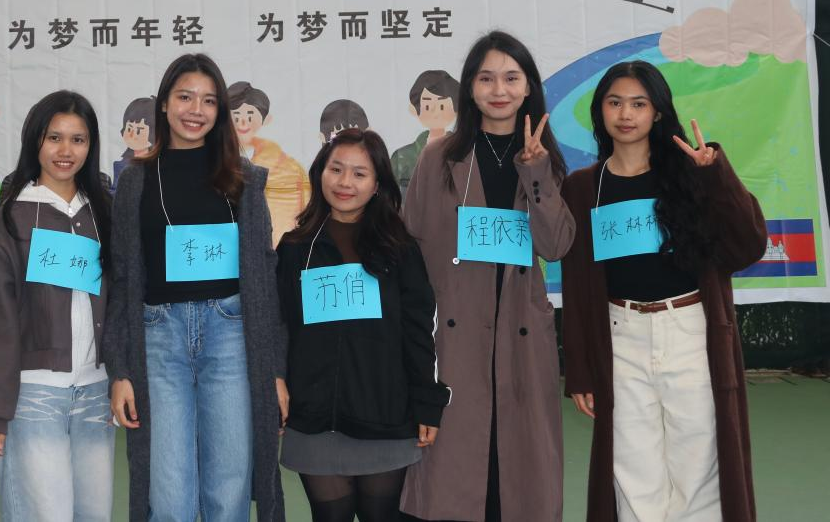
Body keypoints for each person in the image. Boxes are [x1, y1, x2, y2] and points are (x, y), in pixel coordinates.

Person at [561, 61, 766, 522]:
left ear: (657, 112)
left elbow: (748, 245)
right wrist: (580, 370)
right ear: (599, 111)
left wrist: (715, 174)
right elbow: (576, 285)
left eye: (639, 103)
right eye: (615, 102)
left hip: (690, 330)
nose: (626, 114)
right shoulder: (583, 187)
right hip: (620, 336)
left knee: (699, 466)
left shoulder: (691, 174)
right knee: (632, 470)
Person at [399, 30, 574, 522]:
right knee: (455, 469)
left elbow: (556, 245)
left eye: (512, 78)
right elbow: (412, 247)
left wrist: (536, 173)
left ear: (529, 87)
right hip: (455, 333)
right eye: (486, 78)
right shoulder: (439, 158)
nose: (499, 90)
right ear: (470, 88)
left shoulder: (544, 158)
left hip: (521, 331)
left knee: (517, 469)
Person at [103, 53, 286, 522]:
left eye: (208, 101)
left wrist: (275, 370)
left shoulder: (244, 180)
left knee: (229, 488)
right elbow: (122, 276)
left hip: (231, 332)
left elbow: (265, 275)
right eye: (185, 97)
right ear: (164, 103)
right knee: (170, 496)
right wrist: (120, 370)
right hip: (158, 337)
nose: (195, 110)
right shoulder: (135, 181)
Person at [276, 128, 449, 522]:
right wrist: (277, 382)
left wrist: (427, 403)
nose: (345, 183)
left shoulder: (399, 249)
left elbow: (419, 331)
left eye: (359, 173)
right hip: (314, 421)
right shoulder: (295, 248)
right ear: (320, 173)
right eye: (336, 169)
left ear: (377, 185)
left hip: (385, 417)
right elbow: (279, 324)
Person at [0, 91, 115, 521]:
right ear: (35, 142)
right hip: (32, 396)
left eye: (78, 139)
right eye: (54, 138)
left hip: (96, 393)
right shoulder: (9, 221)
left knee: (94, 515)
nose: (66, 151)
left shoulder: (105, 214)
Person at [228, 80, 312, 245]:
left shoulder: (290, 168)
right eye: (236, 115)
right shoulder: (212, 162)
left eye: (250, 115)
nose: (243, 122)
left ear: (266, 119)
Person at [390, 70, 459, 196]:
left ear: (456, 110)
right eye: (427, 106)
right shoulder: (401, 157)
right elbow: (390, 197)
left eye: (442, 106)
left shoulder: (465, 154)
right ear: (414, 109)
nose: (435, 112)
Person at [113, 96, 155, 189]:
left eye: (139, 130)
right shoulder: (121, 165)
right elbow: (116, 192)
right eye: (129, 128)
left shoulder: (157, 164)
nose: (132, 135)